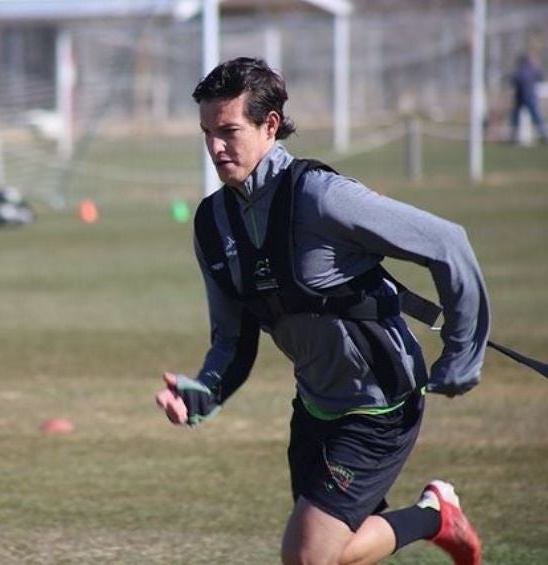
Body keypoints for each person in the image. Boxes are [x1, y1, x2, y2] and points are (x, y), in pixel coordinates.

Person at [155, 57, 489, 565]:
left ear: (270, 125)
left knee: (308, 556)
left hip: (381, 404)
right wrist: (204, 392)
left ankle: (434, 515)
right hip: (315, 406)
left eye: (229, 131)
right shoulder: (211, 224)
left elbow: (447, 243)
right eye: (206, 132)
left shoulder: (321, 197)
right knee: (334, 554)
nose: (215, 148)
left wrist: (462, 352)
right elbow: (233, 337)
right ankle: (436, 515)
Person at [509, 53, 548, 143]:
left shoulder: (519, 71)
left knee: (516, 118)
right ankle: (543, 134)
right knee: (536, 117)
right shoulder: (532, 69)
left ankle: (512, 136)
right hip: (530, 97)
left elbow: (512, 80)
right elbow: (540, 77)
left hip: (522, 98)